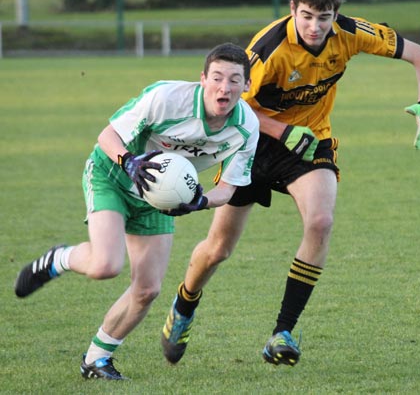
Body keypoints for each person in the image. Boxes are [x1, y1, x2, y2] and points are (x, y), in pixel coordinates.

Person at [160, 0, 420, 367]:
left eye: (323, 18)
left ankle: (282, 332)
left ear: (335, 14)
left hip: (310, 140)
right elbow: (233, 102)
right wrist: (279, 128)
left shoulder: (350, 33)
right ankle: (184, 305)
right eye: (306, 16)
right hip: (251, 141)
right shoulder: (269, 48)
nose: (314, 26)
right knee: (219, 249)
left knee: (321, 221)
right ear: (293, 9)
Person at [14, 42, 259, 380]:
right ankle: (60, 259)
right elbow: (107, 134)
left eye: (234, 80)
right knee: (105, 265)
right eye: (217, 77)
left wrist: (200, 202)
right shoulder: (167, 98)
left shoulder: (246, 127)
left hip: (158, 197)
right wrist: (129, 162)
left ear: (247, 85)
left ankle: (96, 360)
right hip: (112, 175)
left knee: (147, 290)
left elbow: (229, 189)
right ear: (202, 79)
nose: (224, 87)